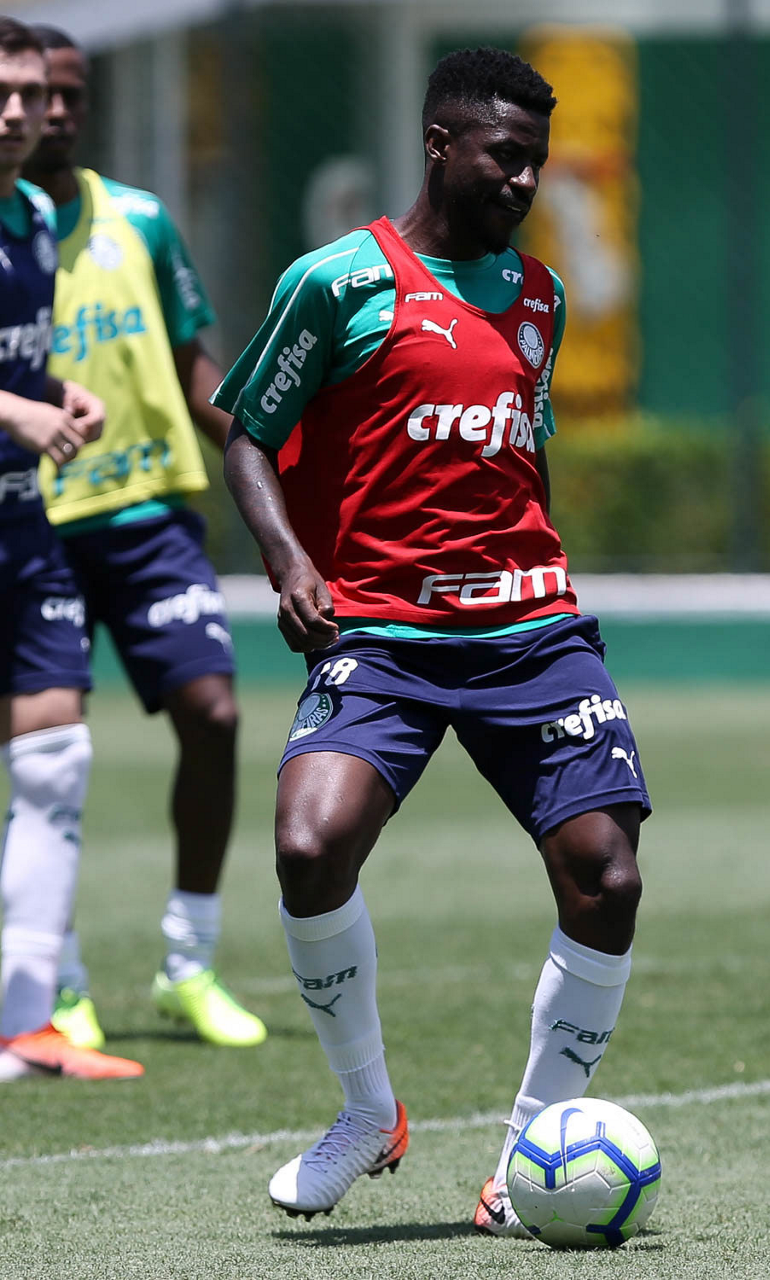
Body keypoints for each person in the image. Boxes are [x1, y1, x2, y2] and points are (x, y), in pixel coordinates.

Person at [218, 46, 650, 1231]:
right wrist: (290, 561)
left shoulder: (540, 296)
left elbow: (518, 453)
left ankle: (527, 1159)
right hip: (385, 629)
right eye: (505, 156)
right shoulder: (336, 281)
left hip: (531, 629)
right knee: (309, 844)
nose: (524, 180)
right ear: (439, 144)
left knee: (607, 876)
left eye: (537, 161)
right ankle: (368, 1110)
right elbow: (248, 432)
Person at [21, 26, 265, 1050]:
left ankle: (188, 962)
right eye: (38, 92)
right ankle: (54, 978)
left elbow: (194, 362)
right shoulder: (12, 229)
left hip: (149, 512)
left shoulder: (143, 220)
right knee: (45, 752)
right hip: (33, 519)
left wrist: (271, 460)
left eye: (71, 94)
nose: (54, 111)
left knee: (214, 713)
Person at [0, 16, 145, 1080]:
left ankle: (25, 1021)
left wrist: (59, 394)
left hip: (21, 526)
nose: (21, 113)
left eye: (32, 95)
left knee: (56, 759)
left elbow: (18, 363)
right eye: (2, 94)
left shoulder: (38, 215)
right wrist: (21, 413)